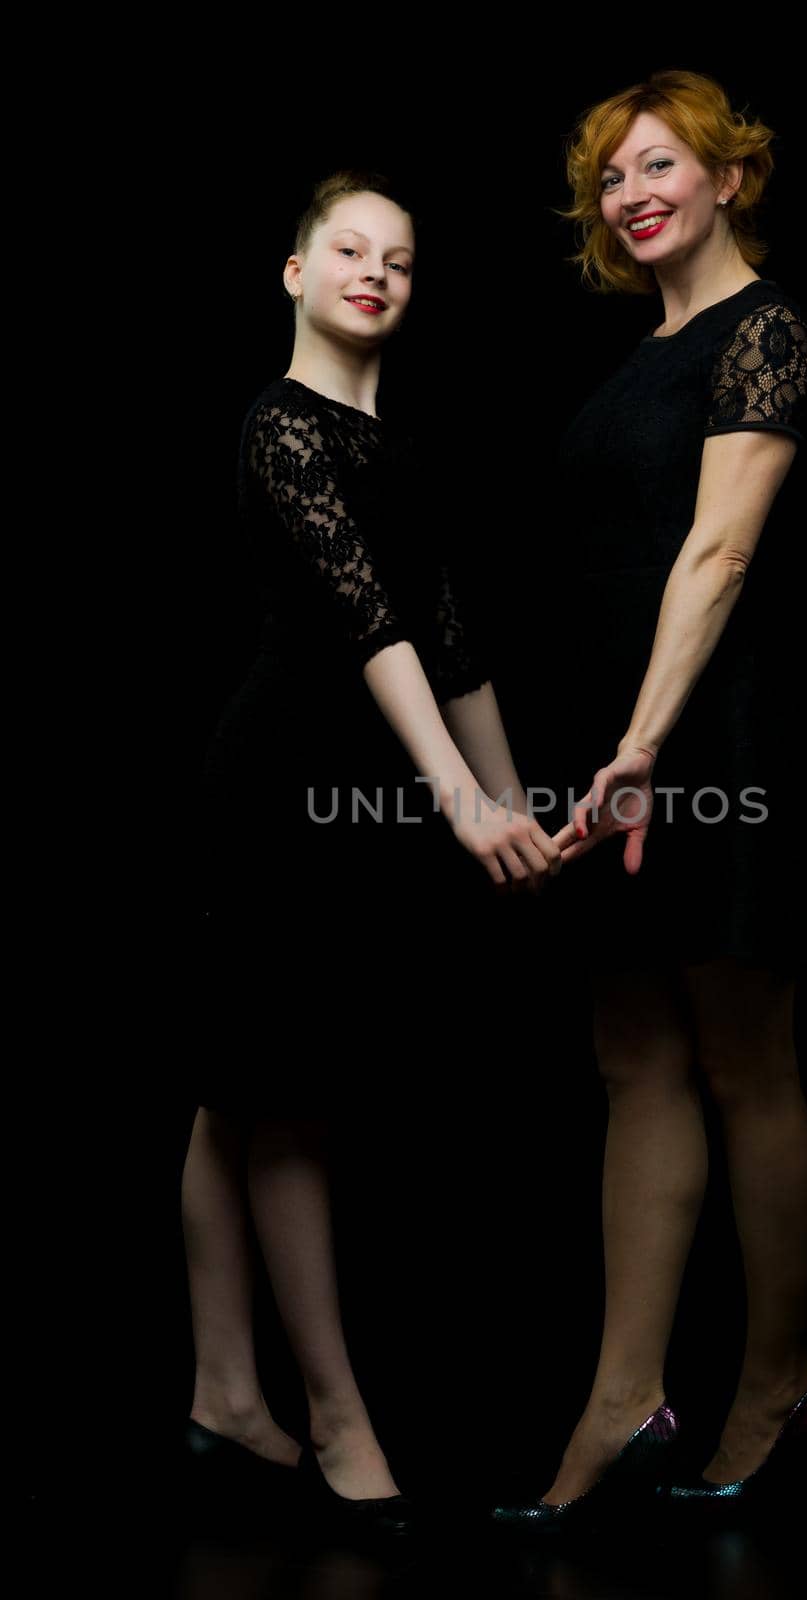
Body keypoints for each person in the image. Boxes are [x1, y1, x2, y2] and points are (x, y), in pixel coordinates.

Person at [183, 169, 561, 1535]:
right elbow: (374, 632)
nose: (376, 271)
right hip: (285, 776)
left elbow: (448, 629)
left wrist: (514, 804)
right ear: (295, 274)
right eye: (349, 249)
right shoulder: (281, 427)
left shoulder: (398, 448)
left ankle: (225, 1389)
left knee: (244, 1077)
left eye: (399, 258)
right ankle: (337, 1415)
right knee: (280, 1092)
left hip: (368, 777)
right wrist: (459, 801)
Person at [492, 70, 807, 1527]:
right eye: (612, 177)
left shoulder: (769, 334)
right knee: (630, 1053)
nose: (632, 196)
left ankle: (775, 1381)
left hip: (715, 737)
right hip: (612, 735)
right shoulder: (645, 352)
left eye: (658, 167)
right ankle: (623, 1399)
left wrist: (641, 745)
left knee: (747, 1059)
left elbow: (719, 559)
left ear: (727, 176)